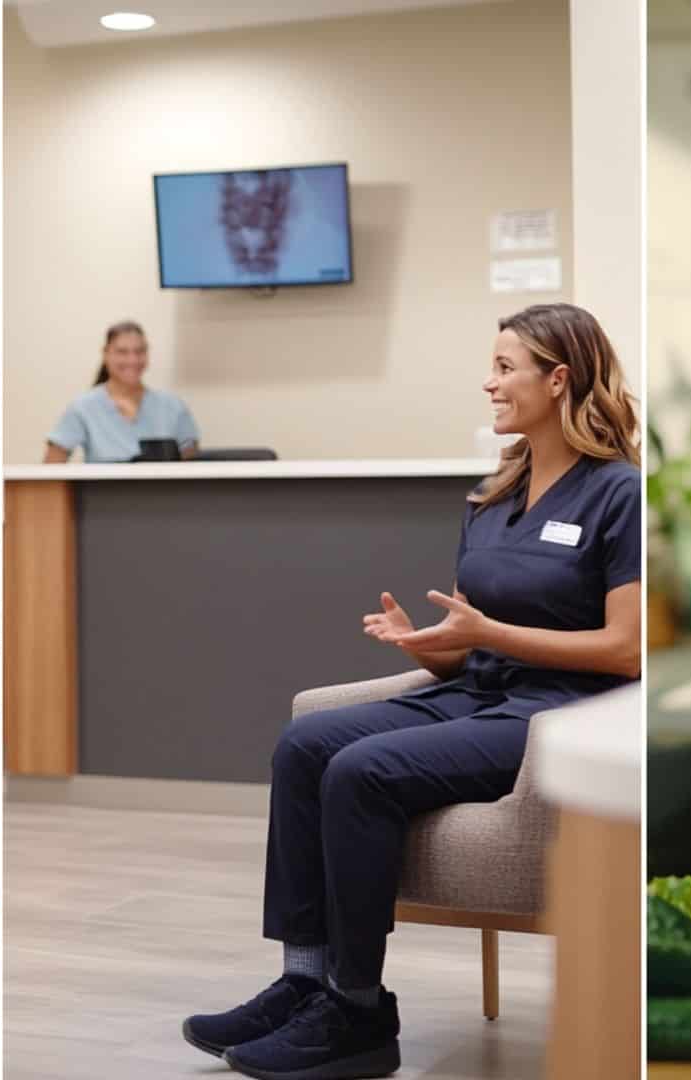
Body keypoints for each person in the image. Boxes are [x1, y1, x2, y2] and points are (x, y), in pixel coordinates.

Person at [182, 303, 641, 1080]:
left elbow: (626, 650)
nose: (487, 382)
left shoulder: (618, 493)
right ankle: (304, 981)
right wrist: (428, 647)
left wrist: (488, 636)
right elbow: (469, 637)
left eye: (505, 367)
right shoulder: (493, 498)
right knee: (303, 747)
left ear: (558, 379)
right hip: (479, 691)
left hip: (558, 710)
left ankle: (358, 1013)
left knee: (362, 772)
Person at [43, 320, 200, 462]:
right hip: (102, 493)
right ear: (105, 354)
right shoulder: (83, 407)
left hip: (165, 493)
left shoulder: (172, 405)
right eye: (122, 352)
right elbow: (51, 467)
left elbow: (191, 462)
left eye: (139, 352)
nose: (132, 360)